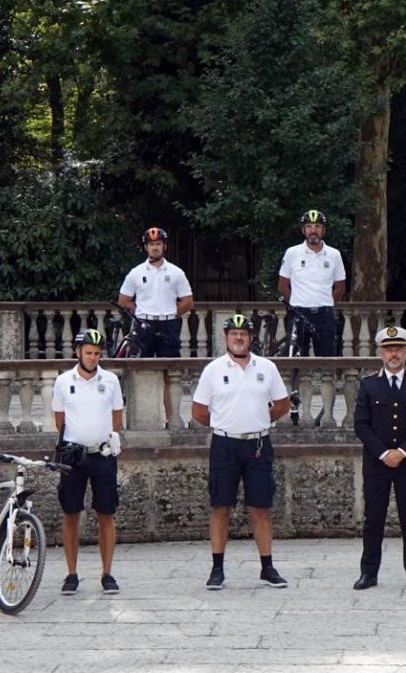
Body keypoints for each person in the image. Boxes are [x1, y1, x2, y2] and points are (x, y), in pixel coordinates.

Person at [191, 314, 292, 590]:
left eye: (244, 334)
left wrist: (261, 418)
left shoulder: (266, 367)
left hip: (258, 444)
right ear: (226, 338)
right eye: (234, 333)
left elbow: (282, 403)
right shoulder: (213, 370)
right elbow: (198, 411)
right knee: (220, 506)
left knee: (261, 507)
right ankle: (217, 568)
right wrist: (225, 422)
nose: (239, 338)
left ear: (251, 338)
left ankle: (267, 567)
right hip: (225, 444)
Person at [352, 326, 406, 591]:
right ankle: (369, 573)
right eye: (389, 349)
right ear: (380, 353)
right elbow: (361, 425)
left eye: (398, 348)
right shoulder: (368, 385)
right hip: (377, 463)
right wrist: (385, 453)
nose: (394, 354)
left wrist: (402, 452)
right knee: (374, 518)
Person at [52, 329, 125, 595]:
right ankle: (71, 574)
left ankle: (107, 573)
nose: (93, 358)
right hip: (74, 454)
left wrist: (109, 437)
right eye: (88, 353)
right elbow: (59, 418)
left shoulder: (111, 380)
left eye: (96, 353)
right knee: (71, 513)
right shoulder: (63, 381)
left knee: (106, 513)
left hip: (102, 454)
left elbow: (117, 414)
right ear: (78, 352)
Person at [117, 226, 195, 357]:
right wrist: (141, 313)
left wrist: (170, 313)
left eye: (158, 244)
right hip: (143, 325)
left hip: (168, 325)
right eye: (151, 244)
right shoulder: (136, 272)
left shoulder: (176, 272)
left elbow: (188, 302)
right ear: (146, 247)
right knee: (142, 367)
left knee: (170, 367)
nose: (155, 247)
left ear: (164, 246)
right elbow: (124, 300)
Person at [277, 210, 345, 356]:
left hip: (324, 314)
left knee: (327, 359)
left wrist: (325, 302)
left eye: (317, 226)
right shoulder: (292, 253)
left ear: (323, 230)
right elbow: (282, 286)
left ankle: (324, 380)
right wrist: (296, 303)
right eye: (309, 226)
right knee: (296, 359)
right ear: (303, 230)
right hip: (298, 313)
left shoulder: (334, 254)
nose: (313, 230)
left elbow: (340, 287)